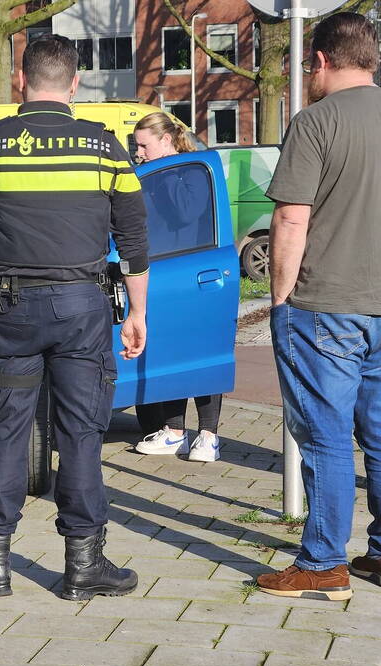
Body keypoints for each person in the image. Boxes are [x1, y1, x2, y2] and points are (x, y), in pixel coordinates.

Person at [0, 35, 150, 601]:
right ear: (75, 84)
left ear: (21, 80)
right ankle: (84, 564)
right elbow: (133, 242)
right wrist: (137, 312)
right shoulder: (107, 151)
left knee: (8, 428)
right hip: (83, 309)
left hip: (8, 309)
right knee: (81, 432)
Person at [255, 12, 381, 602]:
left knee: (326, 435)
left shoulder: (316, 123)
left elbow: (290, 218)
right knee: (380, 435)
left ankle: (324, 562)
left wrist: (280, 301)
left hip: (324, 304)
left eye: (307, 64)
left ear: (323, 60)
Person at [130, 112, 222, 463]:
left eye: (144, 145)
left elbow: (187, 212)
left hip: (194, 270)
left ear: (166, 140)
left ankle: (209, 434)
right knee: (169, 352)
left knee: (200, 354)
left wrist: (166, 169)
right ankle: (175, 432)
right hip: (163, 272)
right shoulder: (152, 173)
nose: (138, 152)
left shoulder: (192, 170)